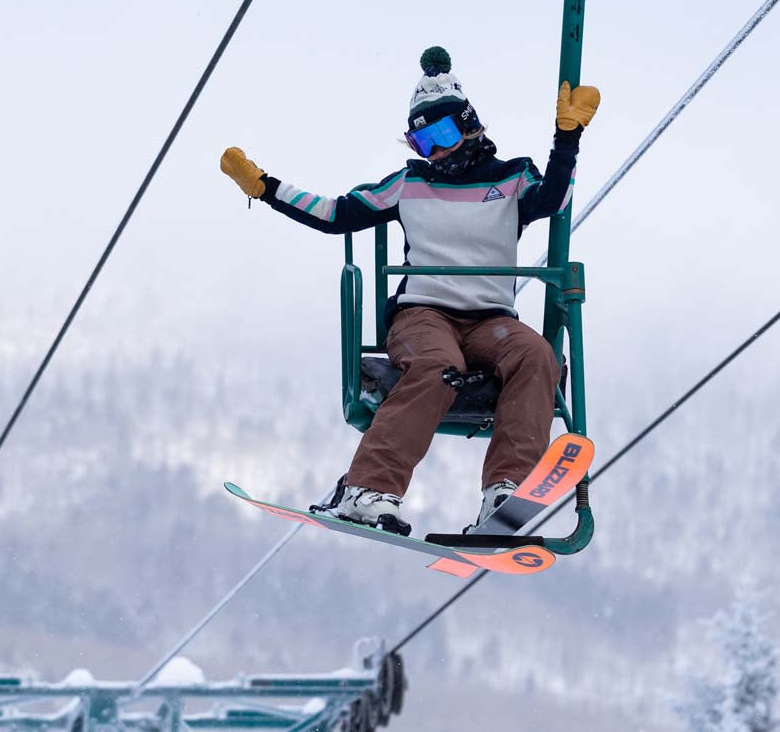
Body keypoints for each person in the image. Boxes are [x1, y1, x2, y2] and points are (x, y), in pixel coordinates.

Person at [220, 46, 600, 534]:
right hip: (424, 315)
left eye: (443, 133)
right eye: (422, 142)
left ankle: (507, 491)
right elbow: (337, 214)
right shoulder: (409, 184)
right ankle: (369, 489)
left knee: (537, 356)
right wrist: (265, 188)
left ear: (468, 125)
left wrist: (566, 138)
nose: (436, 151)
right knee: (437, 368)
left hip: (491, 320)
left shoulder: (512, 179)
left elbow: (553, 199)